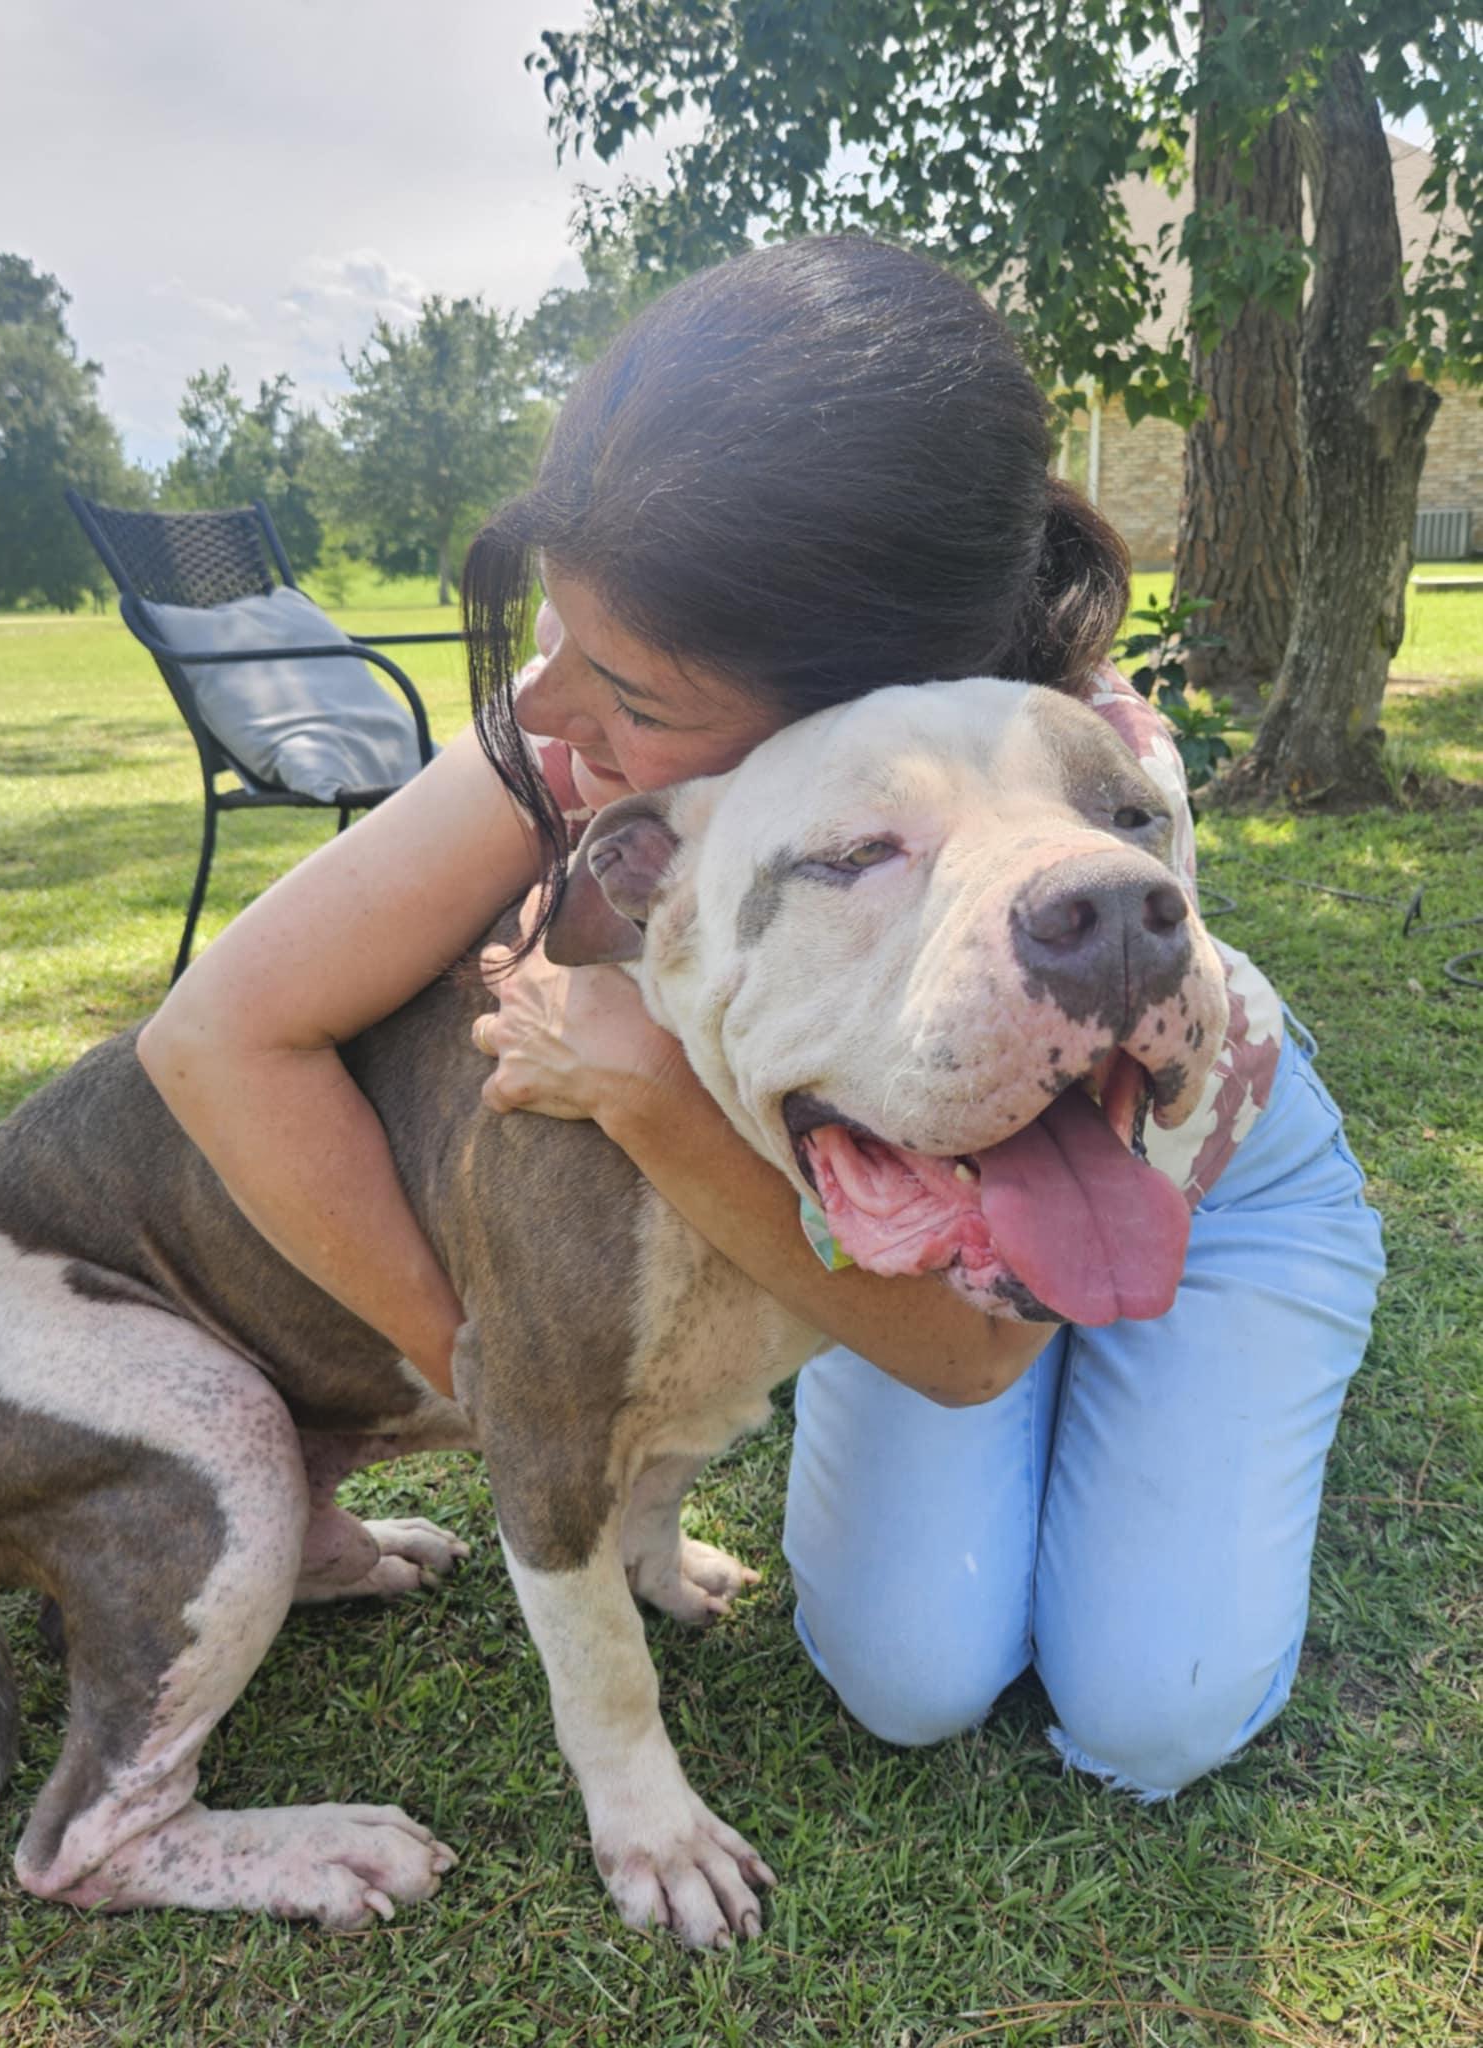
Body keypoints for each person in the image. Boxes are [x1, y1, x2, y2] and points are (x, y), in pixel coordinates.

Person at [140, 236, 1383, 1803]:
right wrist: (486, 1368)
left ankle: (1217, 1374)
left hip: (1186, 1181)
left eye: (628, 691)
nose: (544, 712)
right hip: (907, 1157)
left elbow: (966, 1364)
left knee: (1152, 1714)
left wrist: (643, 1090)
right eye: (554, 642)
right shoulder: (605, 712)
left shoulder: (1095, 773)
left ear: (845, 700)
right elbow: (215, 1037)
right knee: (909, 1674)